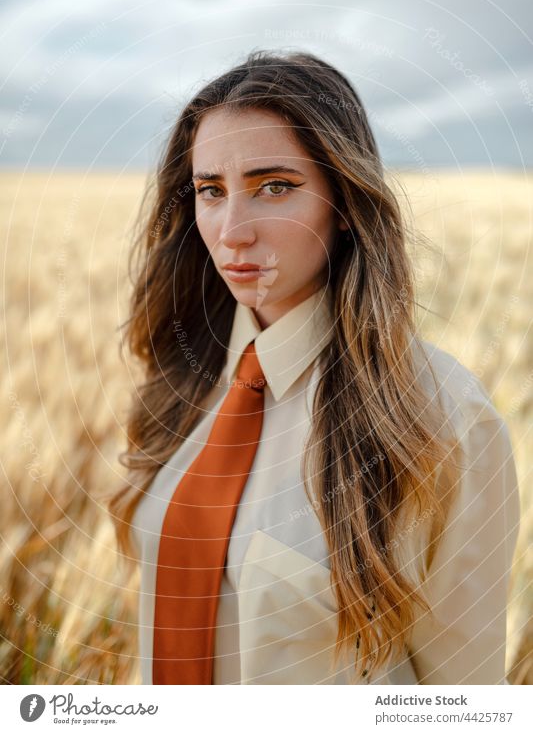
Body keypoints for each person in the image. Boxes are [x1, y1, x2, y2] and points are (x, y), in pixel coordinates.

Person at [108, 49, 521, 685]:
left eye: (275, 187)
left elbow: (465, 700)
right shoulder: (183, 379)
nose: (233, 231)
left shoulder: (445, 417)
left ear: (346, 200)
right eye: (211, 192)